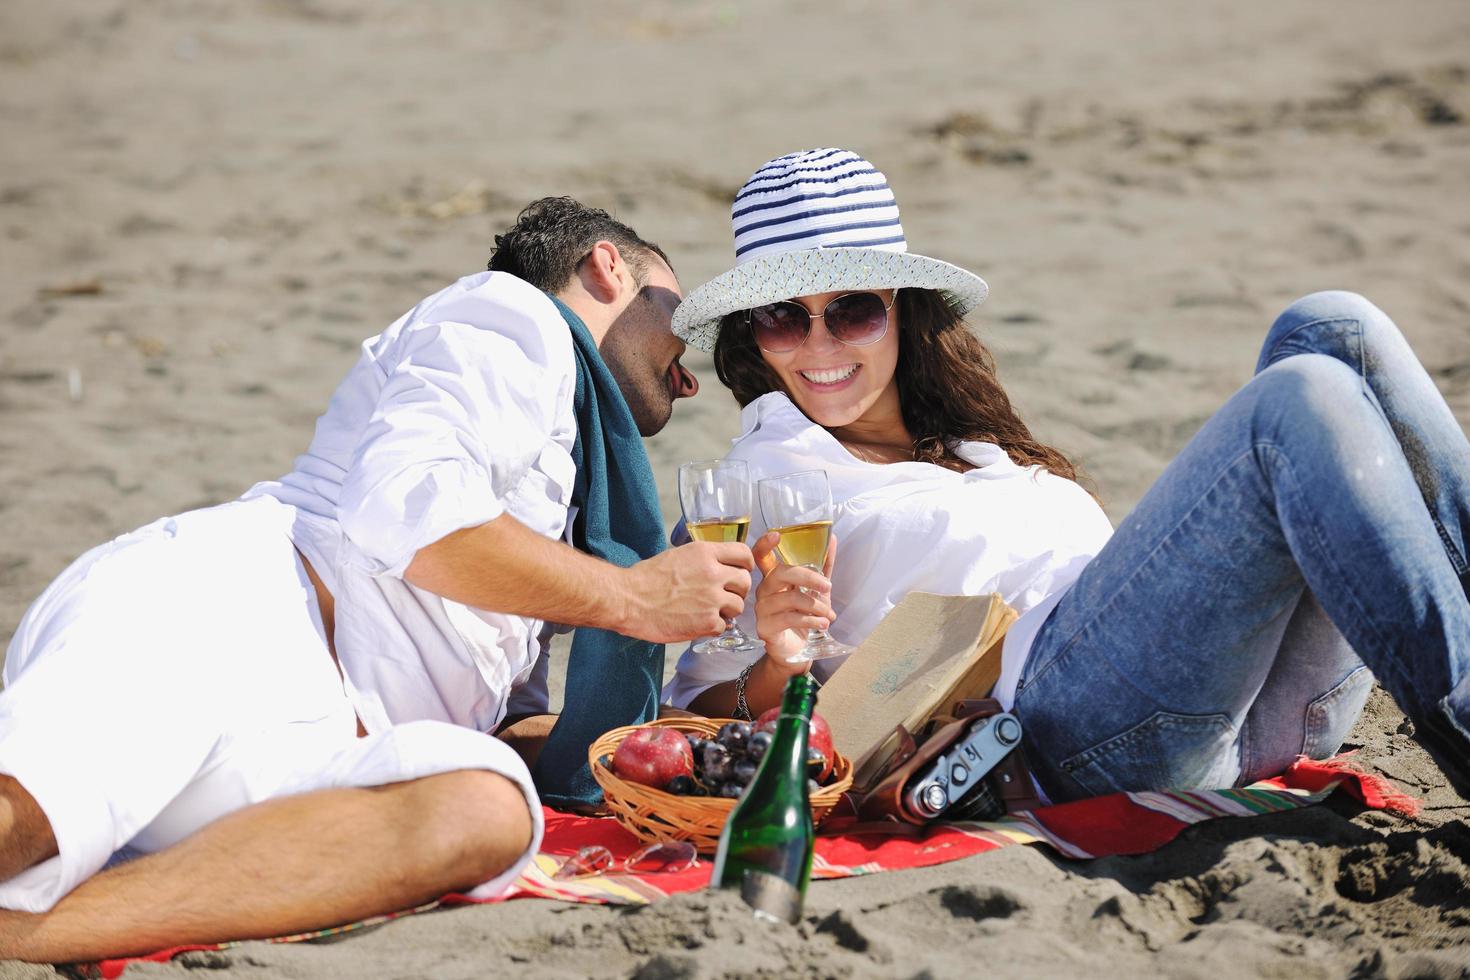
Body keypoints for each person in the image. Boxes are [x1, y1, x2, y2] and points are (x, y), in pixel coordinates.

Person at [0, 197, 755, 962]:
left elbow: (501, 722)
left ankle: (31, 932)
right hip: (240, 623)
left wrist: (652, 751)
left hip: (315, 752)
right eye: (681, 320)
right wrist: (634, 599)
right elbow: (407, 512)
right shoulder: (512, 317)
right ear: (606, 266)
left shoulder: (569, 505)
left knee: (487, 813)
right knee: (26, 821)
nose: (686, 376)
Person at [665, 148, 1470, 807]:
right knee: (1300, 400)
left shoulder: (969, 442)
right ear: (751, 335)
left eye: (852, 310)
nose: (819, 346)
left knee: (1334, 325)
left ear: (904, 310)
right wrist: (779, 655)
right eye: (780, 316)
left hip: (1249, 703)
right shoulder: (758, 480)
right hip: (1070, 729)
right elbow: (692, 715)